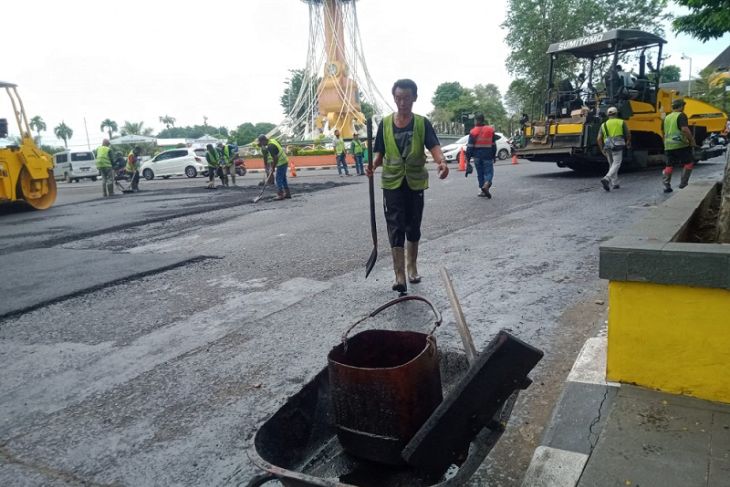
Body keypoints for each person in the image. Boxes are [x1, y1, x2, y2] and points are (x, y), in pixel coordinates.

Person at [366, 79, 448, 293]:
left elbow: (434, 146)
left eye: (407, 98)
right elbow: (379, 152)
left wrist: (441, 162)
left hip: (414, 182)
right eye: (398, 98)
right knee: (395, 225)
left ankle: (412, 267)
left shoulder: (422, 123)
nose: (402, 102)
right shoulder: (384, 123)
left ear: (414, 98)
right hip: (392, 183)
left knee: (413, 224)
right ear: (394, 98)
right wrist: (373, 165)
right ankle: (399, 274)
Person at [662, 98, 697, 193]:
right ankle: (683, 184)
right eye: (683, 106)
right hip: (680, 144)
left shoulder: (667, 117)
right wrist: (692, 140)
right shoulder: (681, 115)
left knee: (669, 165)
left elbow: (664, 132)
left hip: (668, 145)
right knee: (689, 162)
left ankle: (666, 185)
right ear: (681, 106)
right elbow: (685, 129)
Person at [465, 114, 501, 198]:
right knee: (489, 172)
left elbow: (470, 147)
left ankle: (482, 190)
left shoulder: (473, 131)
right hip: (488, 155)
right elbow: (493, 145)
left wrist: (468, 159)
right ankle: (487, 184)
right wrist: (494, 156)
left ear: (476, 120)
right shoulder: (490, 130)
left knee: (480, 174)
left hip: (477, 156)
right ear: (483, 120)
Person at [597, 107, 631, 191]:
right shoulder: (621, 122)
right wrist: (628, 142)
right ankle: (607, 178)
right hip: (618, 145)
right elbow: (628, 134)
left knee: (611, 165)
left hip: (608, 146)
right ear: (616, 114)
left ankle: (615, 183)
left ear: (608, 115)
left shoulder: (603, 124)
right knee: (616, 163)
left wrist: (601, 149)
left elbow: (598, 138)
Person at [258, 134, 291, 200]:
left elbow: (275, 158)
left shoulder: (270, 146)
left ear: (263, 140)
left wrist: (273, 168)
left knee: (278, 179)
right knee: (283, 178)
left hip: (281, 162)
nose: (261, 144)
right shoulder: (272, 140)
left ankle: (280, 194)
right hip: (284, 160)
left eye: (261, 143)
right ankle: (287, 193)